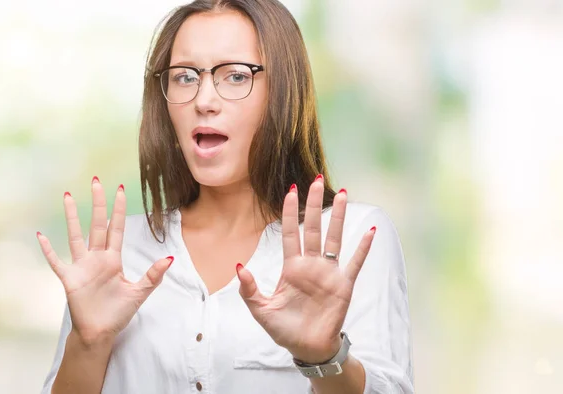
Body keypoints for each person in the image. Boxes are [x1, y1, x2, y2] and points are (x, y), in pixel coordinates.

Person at [38, 0, 414, 393]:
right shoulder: (117, 255)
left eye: (235, 76)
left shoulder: (355, 237)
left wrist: (324, 356)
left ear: (284, 92)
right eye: (184, 77)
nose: (203, 100)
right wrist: (89, 341)